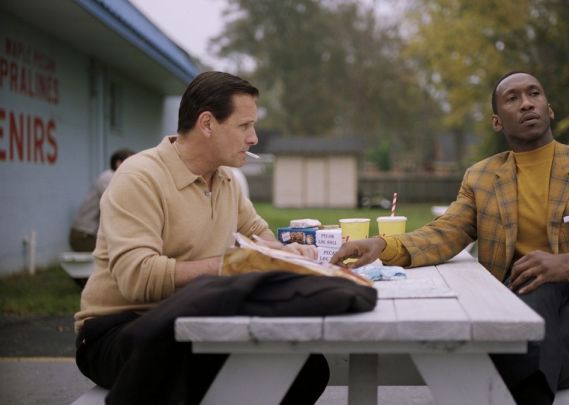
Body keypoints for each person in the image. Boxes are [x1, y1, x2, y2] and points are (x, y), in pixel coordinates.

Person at [331, 71, 569, 404]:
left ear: (549, 108)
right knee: (530, 332)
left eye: (534, 94)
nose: (527, 103)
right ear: (497, 122)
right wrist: (383, 245)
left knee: (508, 352)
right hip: (516, 302)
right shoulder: (482, 177)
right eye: (513, 98)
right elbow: (446, 232)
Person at [74, 72, 375, 405]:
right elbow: (137, 278)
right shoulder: (139, 176)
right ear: (207, 124)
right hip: (118, 331)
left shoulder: (225, 180)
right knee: (233, 371)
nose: (254, 138)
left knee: (306, 367)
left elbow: (259, 237)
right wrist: (234, 265)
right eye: (244, 126)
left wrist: (291, 252)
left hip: (190, 323)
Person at [68, 148, 134, 252]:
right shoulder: (108, 178)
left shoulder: (118, 179)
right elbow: (120, 204)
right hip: (83, 236)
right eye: (131, 162)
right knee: (120, 253)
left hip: (90, 235)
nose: (136, 166)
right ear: (119, 163)